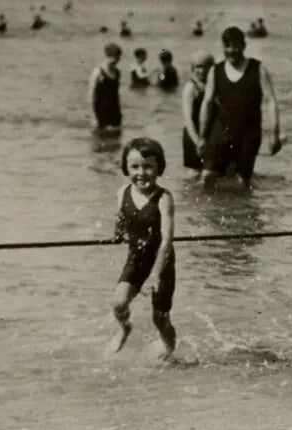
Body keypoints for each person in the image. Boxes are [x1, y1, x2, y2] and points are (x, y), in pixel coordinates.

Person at [110, 138, 177, 359]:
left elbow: (167, 239)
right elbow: (121, 218)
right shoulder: (122, 193)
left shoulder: (163, 198)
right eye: (135, 167)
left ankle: (168, 351)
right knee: (119, 302)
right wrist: (117, 235)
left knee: (160, 318)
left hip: (161, 262)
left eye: (148, 166)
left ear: (159, 168)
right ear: (126, 168)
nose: (142, 172)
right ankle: (124, 328)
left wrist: (155, 275)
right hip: (136, 258)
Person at [198, 26, 282, 189]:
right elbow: (207, 103)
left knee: (242, 181)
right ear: (223, 47)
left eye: (236, 46)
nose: (232, 50)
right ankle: (208, 213)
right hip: (222, 131)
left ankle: (242, 212)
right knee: (207, 176)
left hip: (249, 133)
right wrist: (202, 136)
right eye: (227, 46)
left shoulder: (258, 69)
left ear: (244, 46)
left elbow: (271, 101)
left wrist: (275, 134)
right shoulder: (215, 71)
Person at [181, 51, 215, 176]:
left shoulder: (213, 86)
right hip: (193, 134)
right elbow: (188, 119)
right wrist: (197, 141)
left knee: (211, 172)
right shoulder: (191, 88)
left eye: (206, 67)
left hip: (209, 135)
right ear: (193, 68)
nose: (202, 70)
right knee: (194, 172)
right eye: (198, 67)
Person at [89, 43, 122, 131]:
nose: (116, 61)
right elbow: (91, 95)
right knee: (99, 140)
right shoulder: (98, 72)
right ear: (107, 56)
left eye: (118, 58)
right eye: (114, 58)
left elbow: (116, 94)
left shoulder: (117, 72)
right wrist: (93, 116)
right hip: (101, 111)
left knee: (115, 140)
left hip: (115, 111)